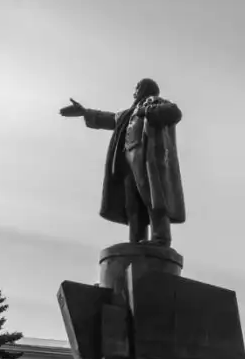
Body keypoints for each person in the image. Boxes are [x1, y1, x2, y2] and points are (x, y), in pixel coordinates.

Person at [60, 78, 185, 246]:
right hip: (127, 159)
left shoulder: (155, 102)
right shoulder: (127, 114)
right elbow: (111, 118)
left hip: (147, 157)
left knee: (153, 197)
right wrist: (84, 112)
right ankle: (136, 241)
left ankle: (160, 238)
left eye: (137, 88)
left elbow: (174, 112)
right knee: (132, 202)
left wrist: (146, 111)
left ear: (144, 89)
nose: (134, 92)